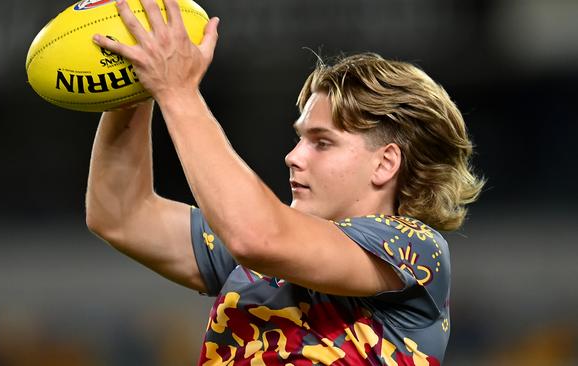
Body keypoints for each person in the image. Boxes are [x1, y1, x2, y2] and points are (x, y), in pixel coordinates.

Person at [85, 0, 484, 364]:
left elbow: (256, 237)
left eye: (322, 142)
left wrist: (176, 91)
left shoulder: (415, 250)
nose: (293, 156)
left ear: (385, 164)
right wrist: (133, 83)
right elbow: (121, 215)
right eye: (300, 138)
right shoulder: (263, 256)